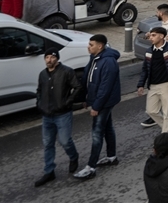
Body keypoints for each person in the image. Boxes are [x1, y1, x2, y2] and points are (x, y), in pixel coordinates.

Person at [74, 34, 121, 180]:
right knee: (107, 128)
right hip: (99, 101)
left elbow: (105, 88)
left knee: (97, 133)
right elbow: (89, 80)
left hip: (104, 102)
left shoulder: (108, 62)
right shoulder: (95, 58)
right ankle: (112, 157)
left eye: (91, 45)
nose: (88, 47)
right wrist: (86, 99)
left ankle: (91, 167)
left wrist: (96, 106)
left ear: (100, 46)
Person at [35, 49, 81, 187]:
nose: (49, 60)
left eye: (52, 57)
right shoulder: (43, 74)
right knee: (48, 144)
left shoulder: (66, 71)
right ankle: (49, 171)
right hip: (47, 115)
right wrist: (39, 103)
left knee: (65, 141)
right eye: (47, 57)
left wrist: (67, 102)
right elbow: (39, 90)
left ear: (57, 59)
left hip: (63, 114)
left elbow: (78, 87)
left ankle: (74, 157)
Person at [137, 26, 168, 133]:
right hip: (153, 86)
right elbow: (145, 69)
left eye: (153, 35)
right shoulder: (149, 51)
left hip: (167, 85)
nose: (151, 38)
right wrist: (140, 85)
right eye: (150, 35)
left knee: (167, 114)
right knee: (151, 111)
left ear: (162, 36)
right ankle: (166, 125)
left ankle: (166, 137)